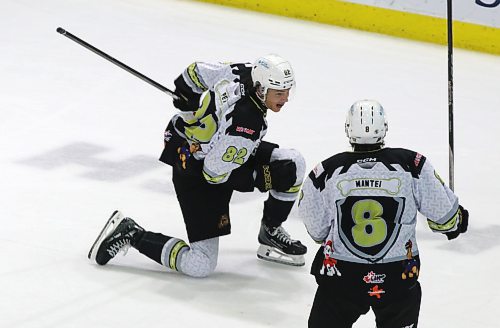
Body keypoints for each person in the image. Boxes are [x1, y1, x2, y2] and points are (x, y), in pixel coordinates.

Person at [88, 54, 307, 277]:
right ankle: (131, 233)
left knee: (293, 163)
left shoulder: (243, 71)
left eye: (288, 90)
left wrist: (186, 93)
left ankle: (270, 232)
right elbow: (213, 175)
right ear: (260, 88)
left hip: (208, 146)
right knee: (201, 265)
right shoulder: (246, 125)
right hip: (194, 172)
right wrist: (262, 179)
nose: (286, 98)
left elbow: (196, 72)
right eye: (279, 92)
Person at [298, 100, 469, 328]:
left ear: (348, 128)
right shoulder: (412, 164)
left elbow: (317, 230)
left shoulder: (326, 171)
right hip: (398, 276)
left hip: (342, 277)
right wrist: (457, 220)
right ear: (385, 127)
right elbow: (445, 218)